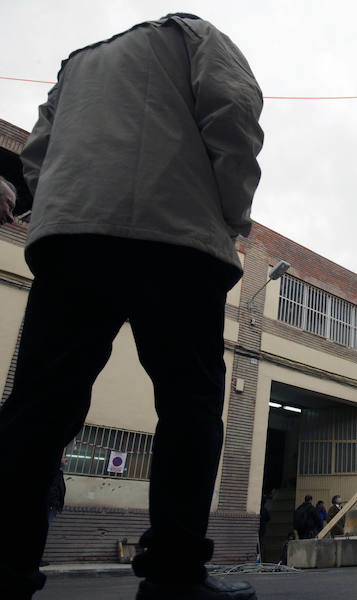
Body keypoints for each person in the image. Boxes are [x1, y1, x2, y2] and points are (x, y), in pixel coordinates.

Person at [0, 13, 264, 600]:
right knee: (189, 406)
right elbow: (233, 111)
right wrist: (230, 213)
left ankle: (6, 566)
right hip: (174, 239)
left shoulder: (77, 63)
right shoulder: (194, 34)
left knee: (38, 407)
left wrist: (51, 207)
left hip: (73, 238)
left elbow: (37, 157)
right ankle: (174, 576)